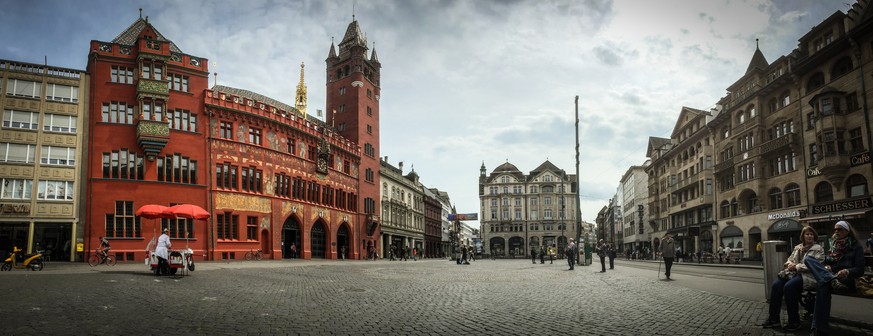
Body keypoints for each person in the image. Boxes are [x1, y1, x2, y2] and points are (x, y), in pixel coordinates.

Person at [803, 220, 866, 336]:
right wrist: (827, 266)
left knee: (823, 285)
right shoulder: (833, 245)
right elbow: (826, 262)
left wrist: (847, 271)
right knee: (808, 260)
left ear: (847, 231)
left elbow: (860, 269)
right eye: (835, 229)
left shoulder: (856, 246)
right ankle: (832, 281)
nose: (836, 231)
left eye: (840, 229)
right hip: (833, 279)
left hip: (847, 280)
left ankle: (818, 328)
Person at [761, 226, 825, 331]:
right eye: (807, 234)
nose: (809, 236)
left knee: (789, 287)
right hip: (793, 274)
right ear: (803, 236)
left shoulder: (818, 248)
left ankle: (794, 321)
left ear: (814, 236)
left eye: (811, 234)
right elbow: (789, 260)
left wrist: (796, 266)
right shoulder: (797, 247)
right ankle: (773, 319)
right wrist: (789, 264)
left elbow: (817, 264)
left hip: (808, 276)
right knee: (776, 285)